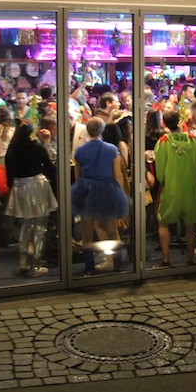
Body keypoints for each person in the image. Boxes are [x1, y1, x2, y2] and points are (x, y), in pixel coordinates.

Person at [72, 117, 129, 274]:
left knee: (87, 232)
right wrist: (120, 194)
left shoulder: (80, 151)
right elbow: (118, 175)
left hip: (87, 190)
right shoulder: (111, 150)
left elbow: (78, 177)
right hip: (107, 189)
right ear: (102, 130)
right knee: (112, 229)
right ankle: (116, 263)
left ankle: (89, 267)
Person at [5, 121, 58, 277]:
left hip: (19, 186)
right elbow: (50, 167)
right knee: (40, 227)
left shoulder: (12, 149)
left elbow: (9, 176)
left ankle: (23, 262)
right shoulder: (37, 147)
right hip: (37, 185)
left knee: (25, 225)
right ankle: (36, 264)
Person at [154, 108, 196, 266]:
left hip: (171, 189)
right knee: (191, 224)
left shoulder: (163, 142)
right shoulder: (193, 140)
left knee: (163, 222)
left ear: (164, 123)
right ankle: (190, 259)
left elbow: (160, 171)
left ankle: (166, 259)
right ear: (179, 121)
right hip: (191, 187)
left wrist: (164, 180)